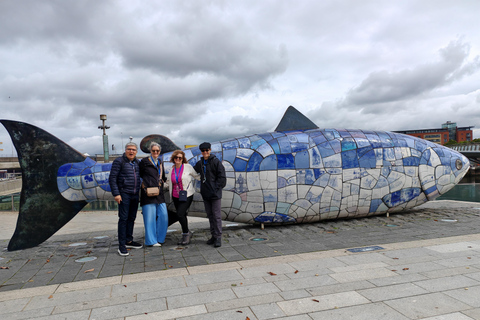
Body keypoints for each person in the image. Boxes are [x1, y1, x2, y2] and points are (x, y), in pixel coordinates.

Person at [109, 142, 143, 256]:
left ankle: (129, 240)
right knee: (123, 219)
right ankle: (121, 245)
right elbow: (112, 178)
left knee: (132, 218)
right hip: (124, 194)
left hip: (134, 194)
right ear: (125, 150)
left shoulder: (137, 162)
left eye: (133, 150)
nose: (131, 151)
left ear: (136, 151)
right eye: (129, 149)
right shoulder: (119, 161)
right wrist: (116, 194)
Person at [194, 142, 226, 247]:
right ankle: (213, 235)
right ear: (201, 152)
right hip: (206, 193)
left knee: (216, 216)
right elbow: (193, 170)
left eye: (207, 150)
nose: (205, 152)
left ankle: (218, 237)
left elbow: (222, 178)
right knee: (210, 215)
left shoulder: (216, 162)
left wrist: (215, 189)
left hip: (215, 194)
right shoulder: (201, 163)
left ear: (210, 150)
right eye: (203, 151)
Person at [166, 150, 200, 245]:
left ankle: (186, 234)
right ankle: (187, 232)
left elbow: (197, 176)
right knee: (182, 215)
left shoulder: (187, 167)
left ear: (182, 159)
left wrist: (208, 178)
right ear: (173, 159)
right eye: (176, 157)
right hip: (176, 196)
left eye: (180, 158)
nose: (178, 159)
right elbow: (168, 183)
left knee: (180, 214)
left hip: (187, 195)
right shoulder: (172, 170)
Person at [139, 142, 168, 247]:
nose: (155, 152)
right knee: (149, 218)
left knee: (164, 215)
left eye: (157, 151)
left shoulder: (160, 162)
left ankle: (160, 238)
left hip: (159, 193)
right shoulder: (144, 162)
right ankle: (151, 241)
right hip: (148, 193)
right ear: (150, 151)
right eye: (153, 151)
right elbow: (139, 175)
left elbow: (163, 177)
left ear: (159, 152)